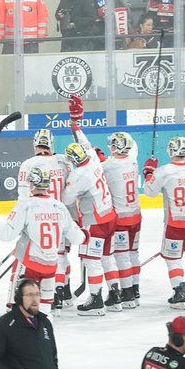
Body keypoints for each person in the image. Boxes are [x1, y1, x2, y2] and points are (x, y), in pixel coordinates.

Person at [0, 169, 85, 316]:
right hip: (51, 266)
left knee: (23, 309)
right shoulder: (59, 207)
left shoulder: (25, 205)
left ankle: (14, 310)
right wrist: (86, 236)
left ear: (32, 184)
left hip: (29, 265)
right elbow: (77, 238)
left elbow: (8, 234)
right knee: (45, 311)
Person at [62, 98, 118, 316]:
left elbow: (67, 199)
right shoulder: (93, 157)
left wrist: (67, 178)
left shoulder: (78, 176)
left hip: (94, 223)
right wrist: (75, 123)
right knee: (107, 257)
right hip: (110, 217)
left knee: (91, 259)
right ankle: (114, 295)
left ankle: (96, 300)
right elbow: (83, 140)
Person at [143, 136, 185, 310]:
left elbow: (150, 192)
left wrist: (148, 172)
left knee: (173, 260)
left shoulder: (164, 171)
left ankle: (179, 292)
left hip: (176, 223)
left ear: (171, 150)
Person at [103, 131, 142, 309]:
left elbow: (97, 167)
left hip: (121, 219)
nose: (109, 147)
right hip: (136, 216)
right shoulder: (133, 161)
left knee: (122, 257)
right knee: (133, 254)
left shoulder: (108, 165)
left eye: (112, 144)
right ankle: (135, 290)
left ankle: (126, 293)